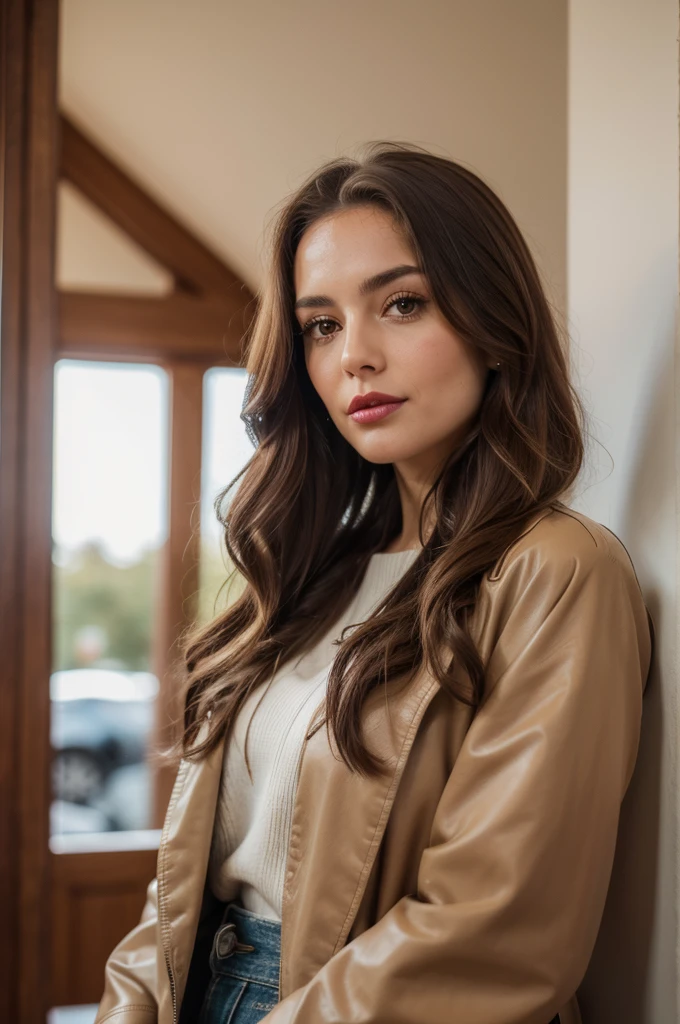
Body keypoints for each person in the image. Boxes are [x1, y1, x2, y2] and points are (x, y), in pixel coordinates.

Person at [93, 143, 654, 1024]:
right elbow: (176, 891)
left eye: (402, 304)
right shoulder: (306, 582)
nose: (355, 355)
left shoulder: (556, 572)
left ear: (493, 321)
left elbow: (493, 931)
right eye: (322, 325)